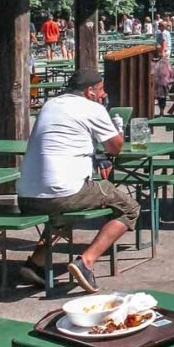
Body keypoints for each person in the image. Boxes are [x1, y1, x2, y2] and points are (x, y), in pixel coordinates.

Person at [17, 69, 140, 292]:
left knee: (65, 208)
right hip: (63, 193)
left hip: (26, 196)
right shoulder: (92, 108)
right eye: (101, 90)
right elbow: (115, 146)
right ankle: (86, 262)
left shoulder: (50, 105)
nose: (104, 94)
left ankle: (36, 263)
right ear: (89, 91)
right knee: (129, 207)